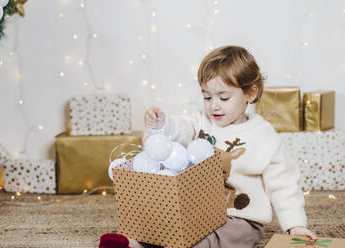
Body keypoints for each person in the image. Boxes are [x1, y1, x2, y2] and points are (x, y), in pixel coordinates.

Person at [130, 45, 317, 248]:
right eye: (207, 97)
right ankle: (137, 243)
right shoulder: (201, 121)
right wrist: (162, 123)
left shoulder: (264, 136)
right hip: (198, 212)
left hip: (240, 219)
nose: (214, 106)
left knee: (212, 239)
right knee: (164, 224)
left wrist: (295, 225)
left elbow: (284, 184)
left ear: (251, 93)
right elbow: (181, 128)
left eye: (224, 97)